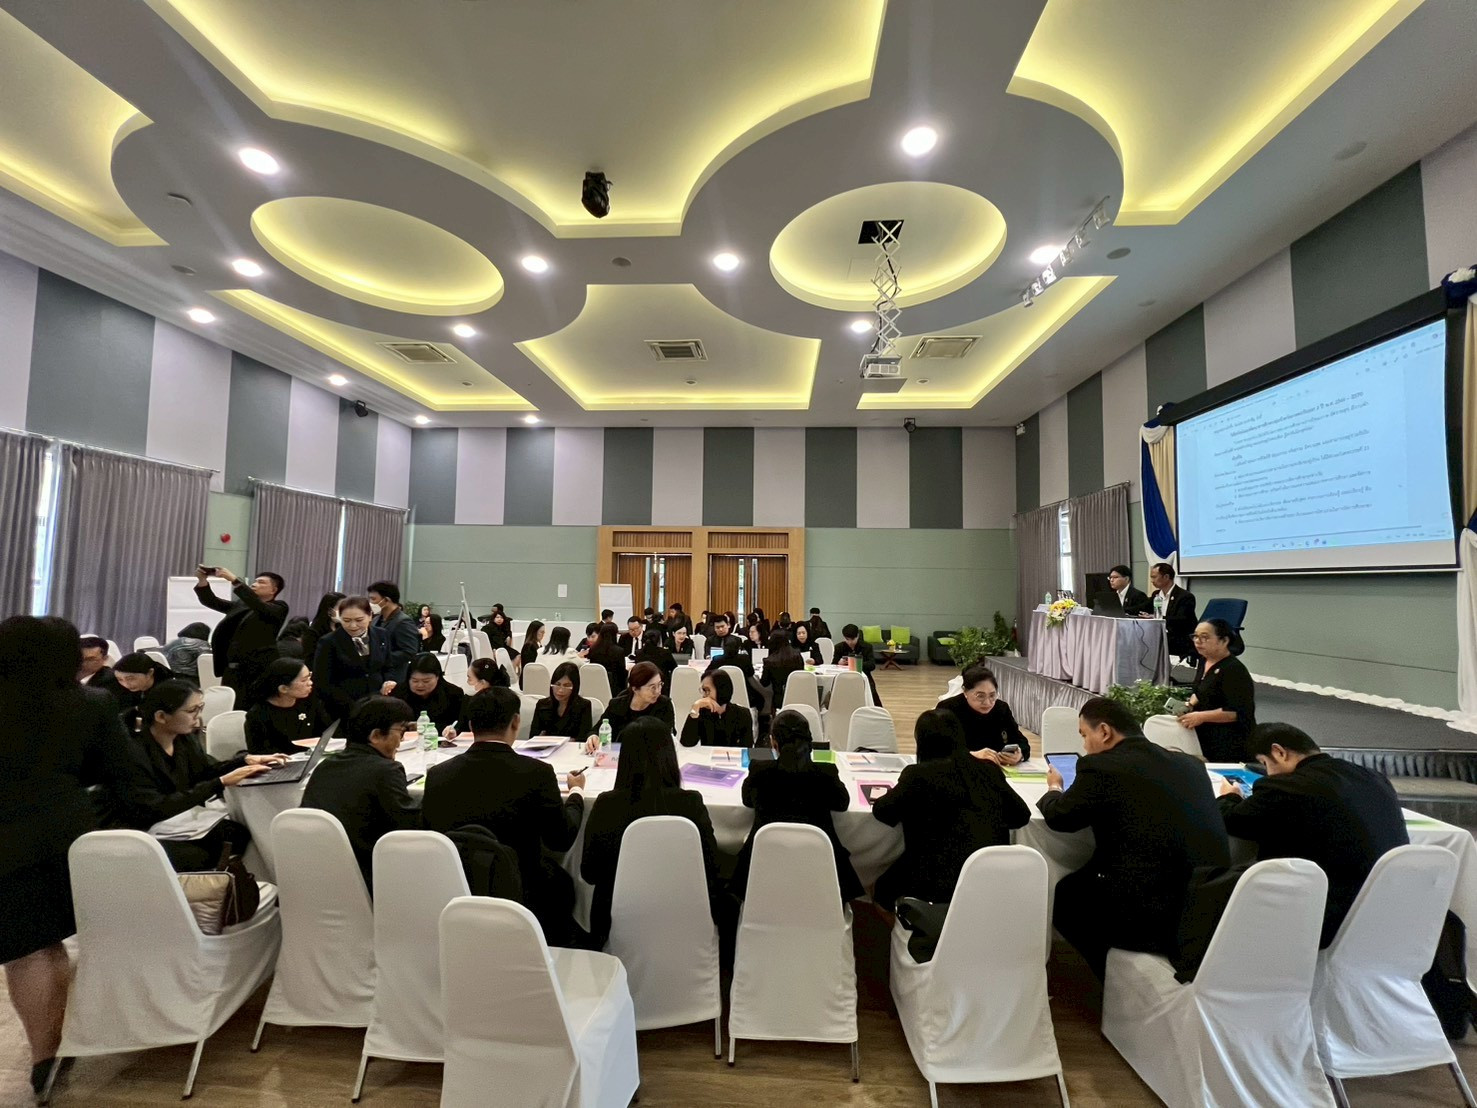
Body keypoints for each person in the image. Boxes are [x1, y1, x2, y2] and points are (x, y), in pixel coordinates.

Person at [0, 617, 144, 1098]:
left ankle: (43, 1055)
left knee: (25, 948)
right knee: (58, 939)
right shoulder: (91, 703)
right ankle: (60, 1045)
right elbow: (123, 773)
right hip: (61, 830)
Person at [1037, 697, 1230, 977]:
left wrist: (1054, 788)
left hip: (1148, 912)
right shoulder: (1191, 764)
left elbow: (1060, 818)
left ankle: (1117, 978)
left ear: (1105, 732)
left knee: (1066, 898)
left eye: (1084, 735)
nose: (1085, 746)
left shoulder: (1100, 767)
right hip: (1209, 902)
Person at [1218, 723, 1408, 946]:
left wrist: (1230, 796)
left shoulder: (1288, 787)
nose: (1267, 772)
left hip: (1325, 919)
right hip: (1390, 914)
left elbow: (1232, 820)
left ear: (1279, 752)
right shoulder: (1372, 777)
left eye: (1265, 763)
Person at [422, 687, 586, 944]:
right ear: (516, 722)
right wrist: (576, 794)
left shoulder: (437, 775)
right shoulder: (537, 773)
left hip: (457, 885)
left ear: (471, 725)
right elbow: (560, 839)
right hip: (523, 887)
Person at [581, 716, 722, 948]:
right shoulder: (690, 803)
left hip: (616, 919)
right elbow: (712, 866)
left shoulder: (607, 805)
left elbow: (589, 872)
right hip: (684, 916)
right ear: (669, 756)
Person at [122, 680, 288, 872]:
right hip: (144, 828)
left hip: (177, 820)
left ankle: (224, 884)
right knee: (199, 855)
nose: (198, 717)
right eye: (192, 710)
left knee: (237, 834)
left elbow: (206, 771)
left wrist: (246, 760)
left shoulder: (184, 739)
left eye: (200, 708)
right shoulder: (134, 752)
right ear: (161, 716)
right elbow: (156, 807)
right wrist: (221, 782)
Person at [731, 710, 862, 901]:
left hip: (762, 871)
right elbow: (842, 804)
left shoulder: (760, 770)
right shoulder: (825, 773)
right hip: (822, 874)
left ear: (774, 743)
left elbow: (746, 800)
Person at [301, 695, 421, 892]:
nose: (401, 740)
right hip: (370, 875)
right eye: (401, 732)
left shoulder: (326, 766)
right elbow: (408, 825)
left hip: (317, 873)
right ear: (376, 735)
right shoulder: (386, 770)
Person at [193, 565, 288, 700]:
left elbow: (260, 606)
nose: (254, 584)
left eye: (261, 582)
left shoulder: (279, 607)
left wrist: (234, 580)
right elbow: (212, 601)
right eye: (254, 581)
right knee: (230, 701)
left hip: (258, 668)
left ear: (274, 590)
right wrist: (202, 581)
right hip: (233, 666)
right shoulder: (243, 605)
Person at [1181, 618, 1256, 762]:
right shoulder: (1204, 660)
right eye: (1195, 636)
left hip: (1229, 740)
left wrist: (1201, 717)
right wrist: (1189, 705)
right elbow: (1200, 690)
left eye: (1204, 637)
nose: (1197, 641)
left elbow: (1237, 713)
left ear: (1224, 640)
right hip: (1204, 730)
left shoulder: (1234, 670)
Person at [312, 596, 394, 725]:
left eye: (359, 620)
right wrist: (353, 706)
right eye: (346, 620)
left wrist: (389, 681)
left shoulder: (381, 635)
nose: (353, 625)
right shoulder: (329, 642)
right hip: (344, 708)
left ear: (370, 616)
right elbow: (322, 681)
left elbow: (388, 666)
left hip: (378, 702)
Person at [937, 664, 1028, 763]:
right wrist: (971, 755)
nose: (987, 702)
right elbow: (936, 748)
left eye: (992, 695)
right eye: (980, 696)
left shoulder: (1001, 709)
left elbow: (1020, 740)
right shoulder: (948, 709)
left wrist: (1020, 754)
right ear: (965, 692)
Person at [245, 658, 332, 756]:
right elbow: (260, 755)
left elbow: (327, 733)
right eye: (304, 680)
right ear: (283, 688)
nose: (310, 683)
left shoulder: (309, 701)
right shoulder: (258, 715)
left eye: (309, 676)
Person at [585, 661, 674, 749]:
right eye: (652, 687)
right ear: (635, 689)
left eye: (660, 684)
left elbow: (666, 738)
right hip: (618, 755)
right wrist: (593, 736)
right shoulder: (618, 705)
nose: (658, 691)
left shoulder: (664, 705)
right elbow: (597, 729)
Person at [680, 670, 754, 748]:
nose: (704, 696)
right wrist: (695, 708)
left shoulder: (742, 714)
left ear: (721, 690)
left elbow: (747, 747)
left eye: (707, 690)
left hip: (732, 755)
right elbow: (687, 743)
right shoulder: (701, 712)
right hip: (708, 755)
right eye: (703, 690)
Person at [368, 580, 421, 687]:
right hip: (376, 676)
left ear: (386, 600)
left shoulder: (403, 621)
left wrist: (380, 657)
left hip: (394, 677)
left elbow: (409, 651)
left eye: (373, 599)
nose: (370, 603)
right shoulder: (376, 619)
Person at [393, 653, 464, 732]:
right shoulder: (398, 693)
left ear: (437, 677)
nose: (420, 685)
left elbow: (460, 725)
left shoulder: (454, 694)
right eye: (415, 681)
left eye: (426, 681)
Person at [1140, 562, 1197, 659]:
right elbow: (1142, 607)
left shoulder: (1185, 596)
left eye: (1154, 577)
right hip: (1160, 636)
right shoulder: (1156, 594)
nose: (1152, 581)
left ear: (1166, 577)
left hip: (1179, 638)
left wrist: (1158, 618)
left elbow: (1181, 620)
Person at [446, 657, 512, 736]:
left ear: (482, 683)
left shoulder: (503, 701)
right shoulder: (468, 700)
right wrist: (453, 732)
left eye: (469, 679)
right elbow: (461, 726)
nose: (467, 682)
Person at [111, 652, 174, 733]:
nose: (125, 684)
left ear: (150, 673)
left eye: (130, 679)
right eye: (120, 679)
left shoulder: (168, 692)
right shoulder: (127, 688)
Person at [530, 661, 596, 740]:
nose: (560, 690)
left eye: (566, 686)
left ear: (575, 687)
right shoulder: (542, 704)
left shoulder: (584, 706)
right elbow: (532, 737)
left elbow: (583, 739)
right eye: (557, 684)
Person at [833, 623, 883, 706]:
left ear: (858, 636)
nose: (850, 642)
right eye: (847, 639)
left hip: (863, 675)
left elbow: (872, 665)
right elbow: (833, 664)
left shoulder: (867, 647)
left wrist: (856, 664)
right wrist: (839, 662)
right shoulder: (839, 647)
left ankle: (876, 710)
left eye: (853, 639)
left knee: (872, 691)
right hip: (844, 676)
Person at [758, 630, 803, 710]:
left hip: (778, 700)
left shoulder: (769, 661)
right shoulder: (797, 655)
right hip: (797, 696)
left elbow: (764, 683)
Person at [299, 592, 344, 670]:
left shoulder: (342, 628)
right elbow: (310, 660)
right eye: (341, 608)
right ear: (330, 610)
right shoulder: (313, 632)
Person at [586, 623, 628, 698]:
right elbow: (621, 673)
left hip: (597, 685)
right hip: (615, 688)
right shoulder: (619, 651)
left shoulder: (593, 649)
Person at [634, 628, 676, 694]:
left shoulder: (638, 653)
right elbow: (674, 667)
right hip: (661, 687)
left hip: (644, 686)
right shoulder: (665, 653)